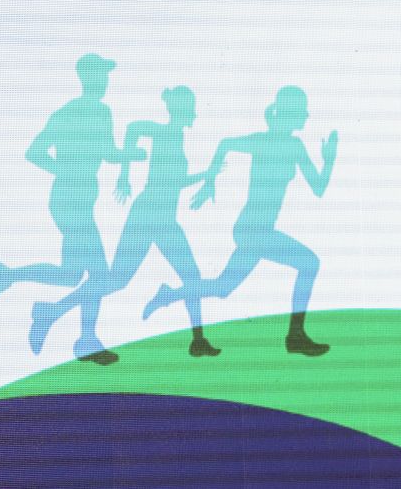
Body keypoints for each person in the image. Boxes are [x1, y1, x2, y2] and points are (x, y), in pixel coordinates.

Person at [143, 86, 338, 356]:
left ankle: (169, 295)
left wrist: (328, 161)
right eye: (302, 111)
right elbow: (225, 144)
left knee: (223, 288)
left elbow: (317, 187)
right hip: (251, 229)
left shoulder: (295, 147)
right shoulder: (263, 141)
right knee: (309, 263)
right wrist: (210, 179)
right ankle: (295, 337)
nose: (306, 116)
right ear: (289, 112)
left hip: (259, 231)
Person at [27, 87, 219, 360]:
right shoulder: (165, 133)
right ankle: (52, 312)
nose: (195, 114)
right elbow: (135, 130)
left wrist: (205, 175)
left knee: (190, 277)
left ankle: (198, 341)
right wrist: (125, 174)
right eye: (191, 108)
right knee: (115, 280)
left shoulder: (174, 137)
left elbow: (171, 181)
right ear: (182, 110)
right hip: (147, 216)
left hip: (164, 219)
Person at [0, 53, 144, 364]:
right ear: (88, 78)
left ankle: (12, 279)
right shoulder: (75, 112)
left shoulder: (99, 112)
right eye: (101, 75)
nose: (105, 81)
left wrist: (128, 155)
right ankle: (70, 328)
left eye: (106, 76)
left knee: (72, 275)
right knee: (101, 275)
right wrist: (65, 170)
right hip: (70, 200)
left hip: (78, 199)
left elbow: (108, 153)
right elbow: (34, 152)